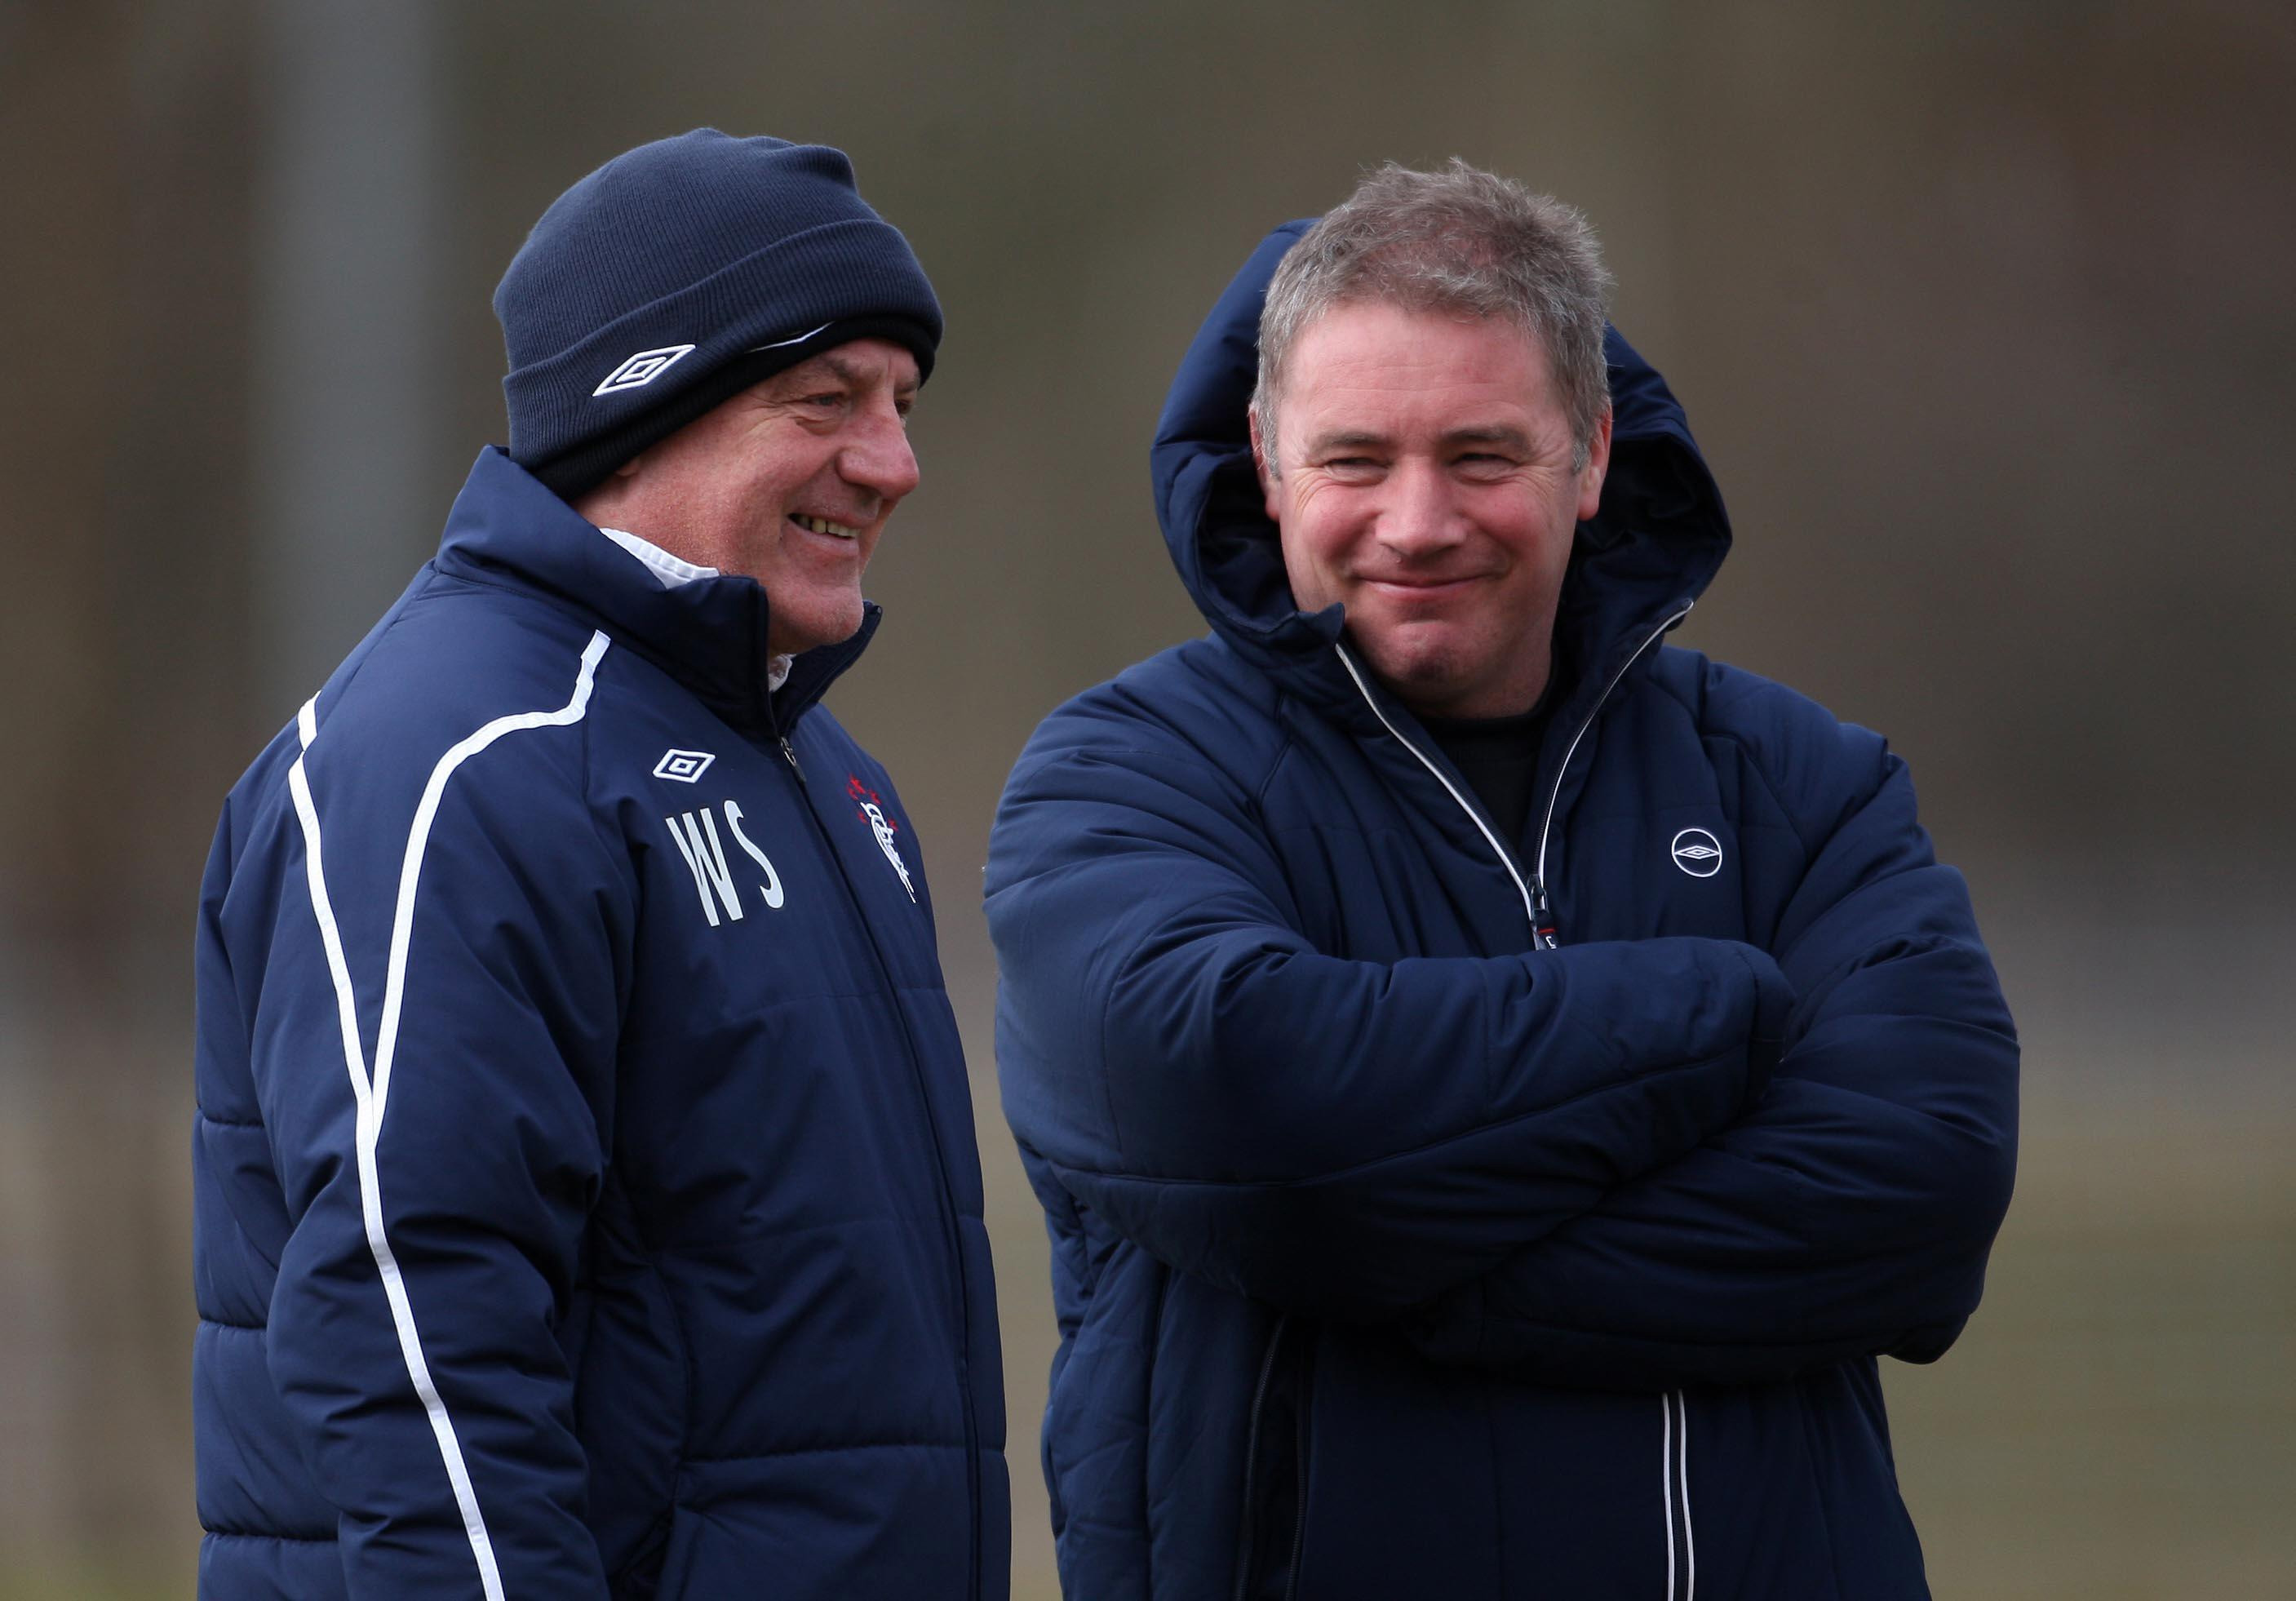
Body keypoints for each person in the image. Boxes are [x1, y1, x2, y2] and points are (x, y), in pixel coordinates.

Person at [986, 161, 2017, 1600]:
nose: (1415, 521)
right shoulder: (1127, 776)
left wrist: (1380, 1253)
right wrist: (1712, 1012)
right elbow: (1235, 1096)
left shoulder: (1799, 782)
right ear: (1266, 462)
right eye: (1353, 460)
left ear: (1589, 458)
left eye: (1480, 456)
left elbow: (1921, 1186)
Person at [193, 131, 1006, 1601]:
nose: (892, 461)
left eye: (899, 402)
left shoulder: (832, 779)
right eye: (824, 401)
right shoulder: (453, 760)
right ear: (637, 414)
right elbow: (417, 1333)